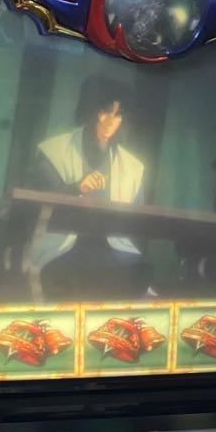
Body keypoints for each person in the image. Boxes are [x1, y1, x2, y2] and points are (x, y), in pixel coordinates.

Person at [33, 75, 150, 300]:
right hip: (63, 247)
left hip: (116, 248)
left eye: (118, 114)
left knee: (137, 271)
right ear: (89, 109)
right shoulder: (54, 152)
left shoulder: (133, 167)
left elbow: (139, 219)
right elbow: (35, 205)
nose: (110, 121)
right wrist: (75, 188)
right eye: (105, 111)